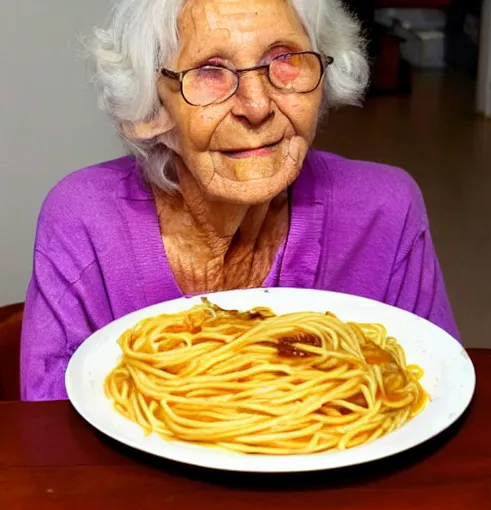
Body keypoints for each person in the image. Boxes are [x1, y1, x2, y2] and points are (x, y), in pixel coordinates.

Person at [20, 0, 459, 401]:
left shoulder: (386, 211)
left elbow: (436, 393)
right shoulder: (84, 222)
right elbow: (57, 447)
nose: (256, 105)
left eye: (284, 59)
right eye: (210, 69)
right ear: (151, 108)